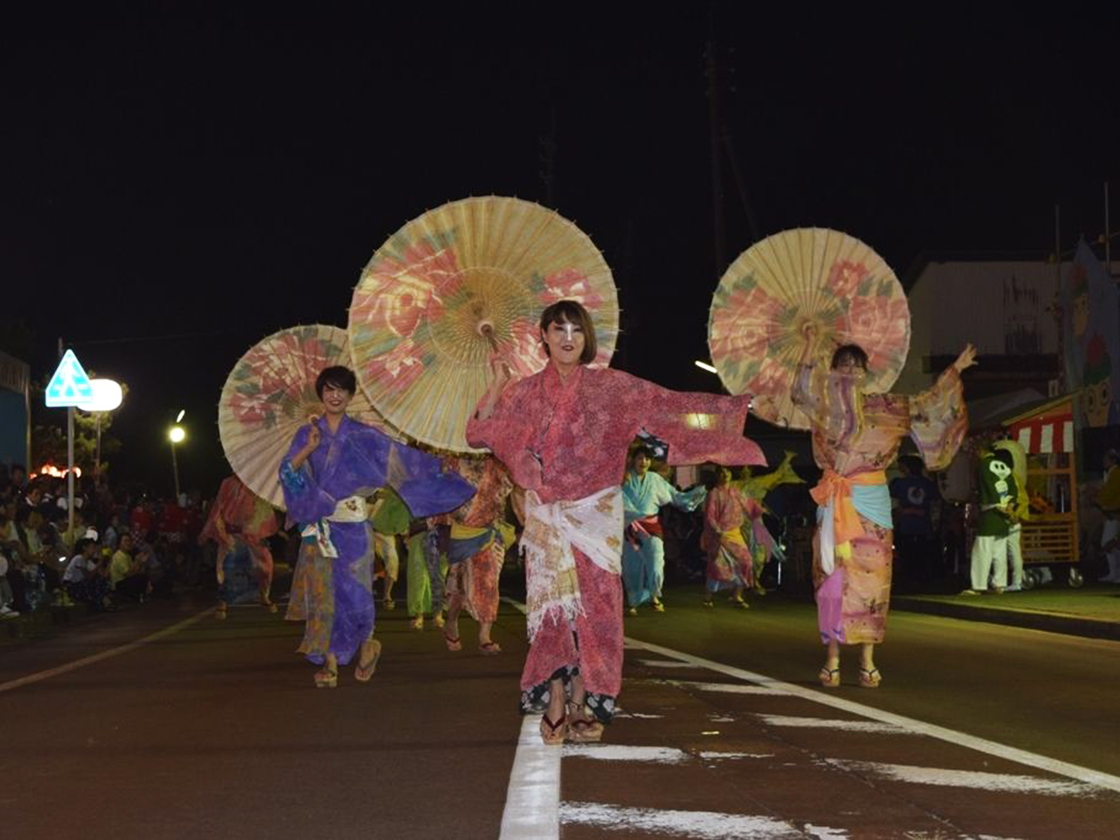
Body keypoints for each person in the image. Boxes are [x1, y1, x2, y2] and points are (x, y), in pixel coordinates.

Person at [467, 300, 763, 744]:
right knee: (551, 608)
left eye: (576, 330)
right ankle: (554, 697)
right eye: (558, 329)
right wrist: (496, 384)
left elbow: (666, 407)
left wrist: (733, 413)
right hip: (548, 516)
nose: (568, 338)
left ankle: (588, 696)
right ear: (543, 336)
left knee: (597, 609)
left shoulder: (611, 387)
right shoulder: (523, 393)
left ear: (586, 339)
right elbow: (481, 433)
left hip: (597, 516)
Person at [792, 336, 973, 688]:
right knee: (833, 583)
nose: (850, 371)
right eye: (843, 365)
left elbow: (926, 405)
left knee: (872, 584)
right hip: (834, 503)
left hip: (872, 503)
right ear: (832, 372)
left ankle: (867, 660)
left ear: (866, 373)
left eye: (856, 366)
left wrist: (955, 370)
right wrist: (808, 347)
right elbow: (800, 392)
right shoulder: (824, 407)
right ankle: (831, 659)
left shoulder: (886, 408)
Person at [281, 365, 474, 688]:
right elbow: (287, 473)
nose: (335, 395)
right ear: (320, 394)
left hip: (355, 528)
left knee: (355, 593)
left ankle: (367, 642)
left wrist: (439, 469)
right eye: (329, 389)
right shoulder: (306, 434)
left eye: (342, 389)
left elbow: (400, 462)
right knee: (325, 595)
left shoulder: (363, 434)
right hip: (321, 529)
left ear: (351, 395)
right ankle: (331, 658)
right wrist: (308, 449)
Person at [440, 454, 515, 653]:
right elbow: (440, 491)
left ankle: (484, 635)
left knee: (488, 583)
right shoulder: (452, 460)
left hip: (489, 532)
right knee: (458, 587)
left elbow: (509, 487)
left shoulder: (500, 462)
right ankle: (451, 622)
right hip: (462, 533)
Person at [621, 446, 706, 616]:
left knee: (656, 563)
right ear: (633, 460)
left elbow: (674, 496)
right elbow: (616, 499)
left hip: (652, 527)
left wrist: (695, 494)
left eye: (646, 458)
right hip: (631, 528)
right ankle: (634, 600)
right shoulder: (624, 478)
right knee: (632, 567)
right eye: (640, 458)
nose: (643, 461)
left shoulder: (655, 479)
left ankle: (653, 594)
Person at [199, 475, 279, 618]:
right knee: (229, 567)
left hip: (253, 535)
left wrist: (261, 534)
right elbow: (219, 507)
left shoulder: (258, 484)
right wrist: (221, 532)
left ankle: (263, 595)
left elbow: (264, 511)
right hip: (232, 534)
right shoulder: (228, 483)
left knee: (265, 566)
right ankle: (223, 601)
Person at [889, 455, 940, 586]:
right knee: (920, 553)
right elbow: (935, 501)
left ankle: (908, 579)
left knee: (907, 553)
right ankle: (920, 579)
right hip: (922, 524)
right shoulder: (928, 484)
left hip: (906, 524)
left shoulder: (899, 483)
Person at [1096, 448, 1120, 583]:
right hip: (1111, 511)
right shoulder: (1111, 473)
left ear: (1113, 460)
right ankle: (1114, 573)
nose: (1104, 461)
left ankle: (1115, 573)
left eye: (1107, 459)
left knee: (1110, 543)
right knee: (1111, 543)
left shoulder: (1116, 473)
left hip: (1114, 512)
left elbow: (1109, 492)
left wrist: (1098, 498)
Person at [109, 532, 151, 602]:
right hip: (118, 585)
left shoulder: (127, 555)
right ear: (119, 544)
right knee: (141, 577)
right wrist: (137, 561)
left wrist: (141, 562)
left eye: (129, 541)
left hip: (124, 582)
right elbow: (128, 574)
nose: (128, 543)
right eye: (125, 541)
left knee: (143, 576)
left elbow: (134, 571)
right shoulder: (118, 556)